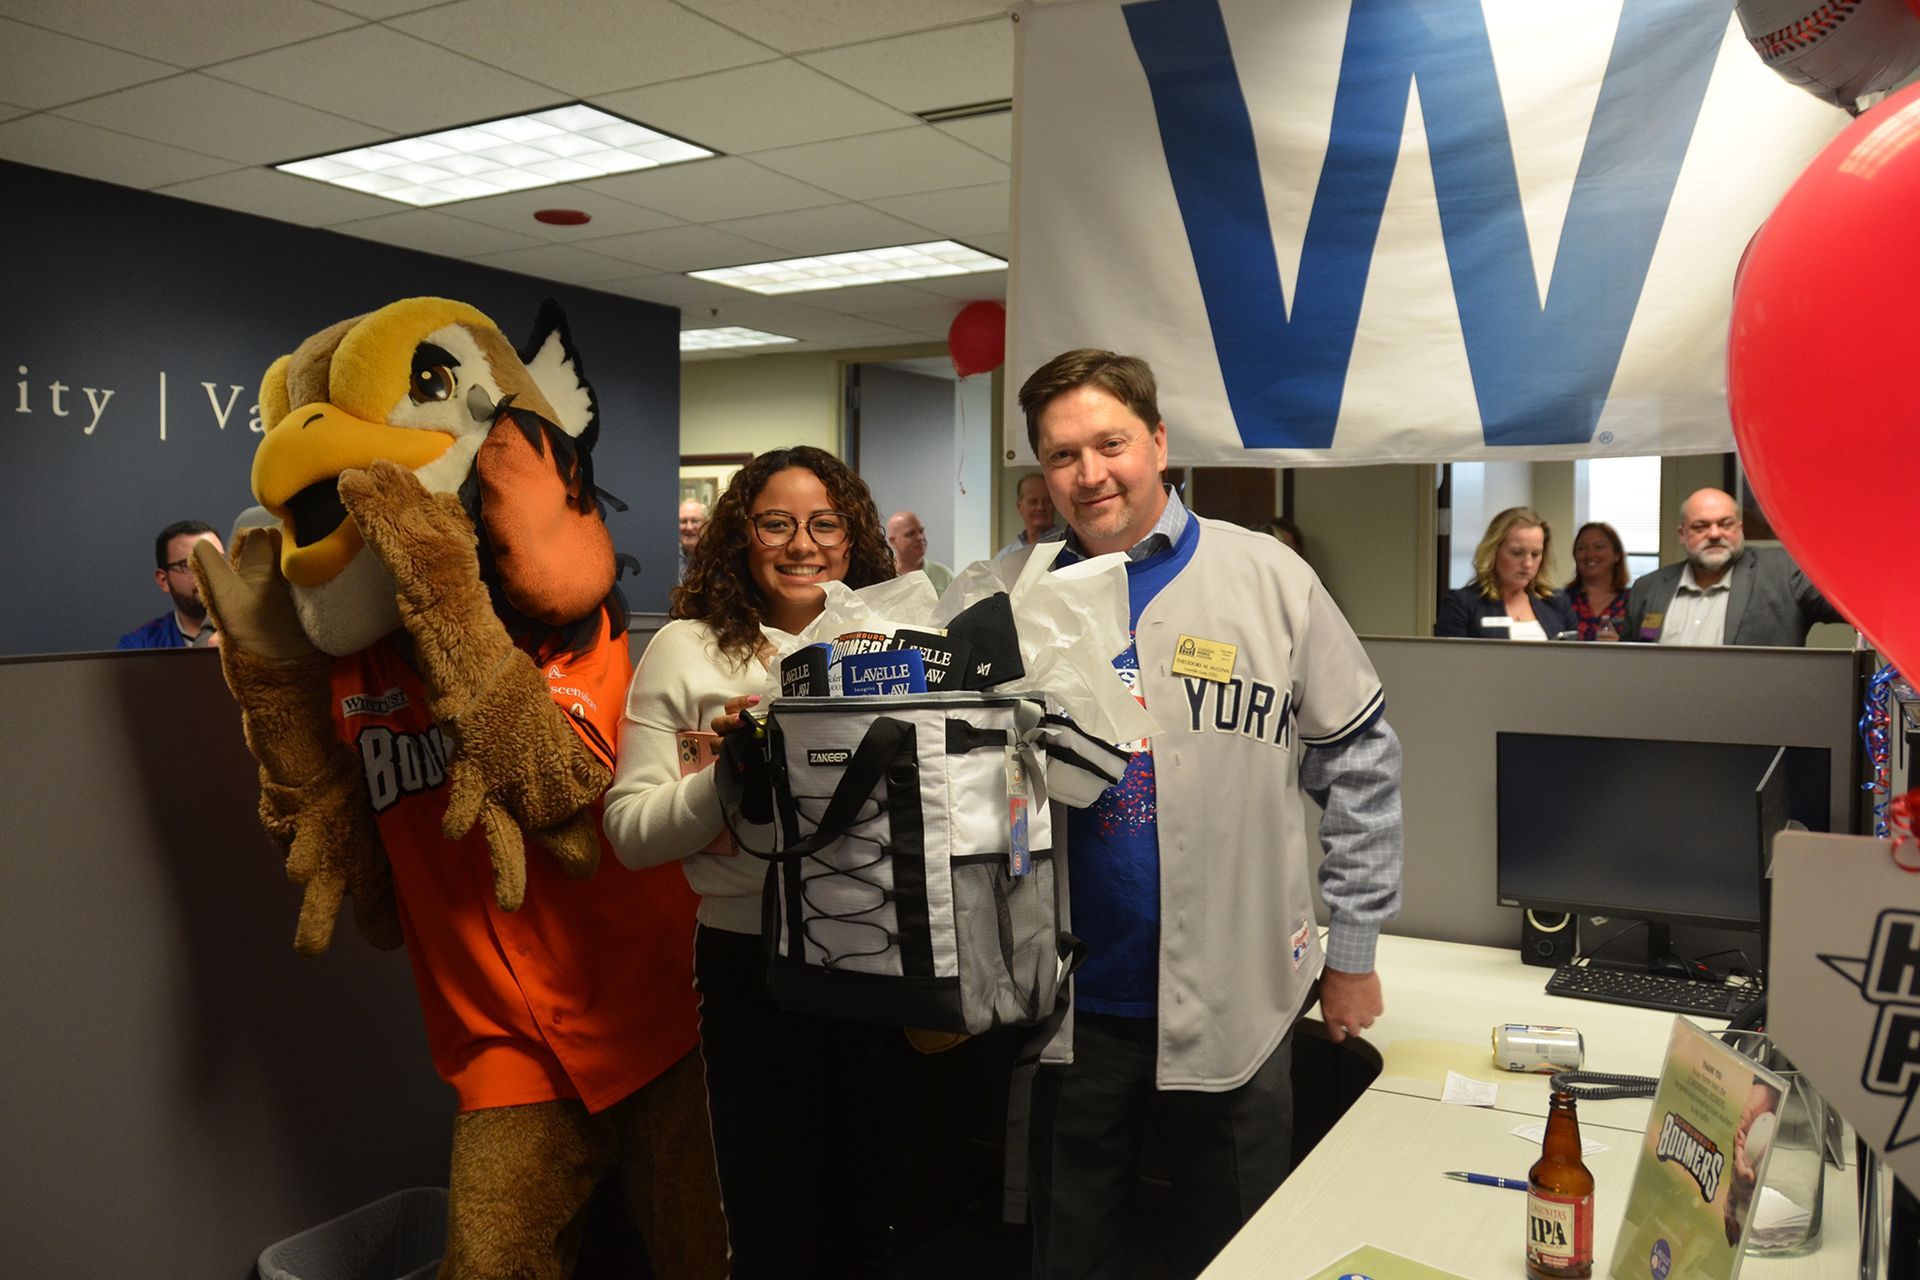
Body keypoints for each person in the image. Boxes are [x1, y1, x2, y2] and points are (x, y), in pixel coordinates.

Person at [1013, 349, 1405, 1278]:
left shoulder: (1268, 579)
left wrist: (1351, 956)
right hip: (1075, 1008)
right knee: (1066, 1255)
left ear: (1157, 441)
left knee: (1241, 1251)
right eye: (1063, 455)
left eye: (1110, 443)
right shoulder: (1011, 599)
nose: (1090, 473)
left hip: (1239, 999)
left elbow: (1361, 766)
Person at [605, 446, 910, 1278]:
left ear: (853, 538)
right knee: (773, 1215)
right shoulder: (687, 649)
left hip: (882, 955)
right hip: (753, 959)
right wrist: (728, 778)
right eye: (776, 523)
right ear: (742, 536)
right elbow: (629, 833)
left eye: (824, 523)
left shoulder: (897, 643)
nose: (801, 544)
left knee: (879, 1215)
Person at [1623, 487, 1844, 646]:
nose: (1715, 534)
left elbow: (1848, 609)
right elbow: (1631, 663)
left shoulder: (1784, 571)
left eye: (1725, 524)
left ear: (1740, 528)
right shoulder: (1648, 588)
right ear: (1682, 534)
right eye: (1701, 527)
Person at [1434, 507, 1575, 641]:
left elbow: (1574, 661)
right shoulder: (1462, 604)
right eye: (1517, 553)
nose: (1528, 564)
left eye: (1535, 554)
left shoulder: (1556, 603)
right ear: (1493, 552)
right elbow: (1449, 662)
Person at [118, 520, 224, 648]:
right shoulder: (139, 646)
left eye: (217, 560)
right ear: (164, 580)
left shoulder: (252, 633)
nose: (208, 573)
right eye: (190, 565)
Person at [1557, 521, 1630, 641]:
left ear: (1617, 554)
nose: (1589, 554)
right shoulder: (1562, 601)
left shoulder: (1632, 602)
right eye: (1581, 548)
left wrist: (1620, 646)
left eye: (1599, 547)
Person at [996, 472, 1063, 559]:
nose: (1040, 507)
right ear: (1019, 506)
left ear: (1055, 504)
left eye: (1047, 501)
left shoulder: (1071, 548)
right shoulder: (1004, 557)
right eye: (1033, 501)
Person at [886, 508, 954, 593]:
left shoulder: (944, 576)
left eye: (921, 531)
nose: (920, 538)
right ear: (892, 541)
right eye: (910, 534)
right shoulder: (884, 576)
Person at [677, 497, 708, 582]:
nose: (689, 527)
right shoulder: (668, 555)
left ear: (706, 524)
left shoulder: (717, 558)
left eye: (694, 521)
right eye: (683, 521)